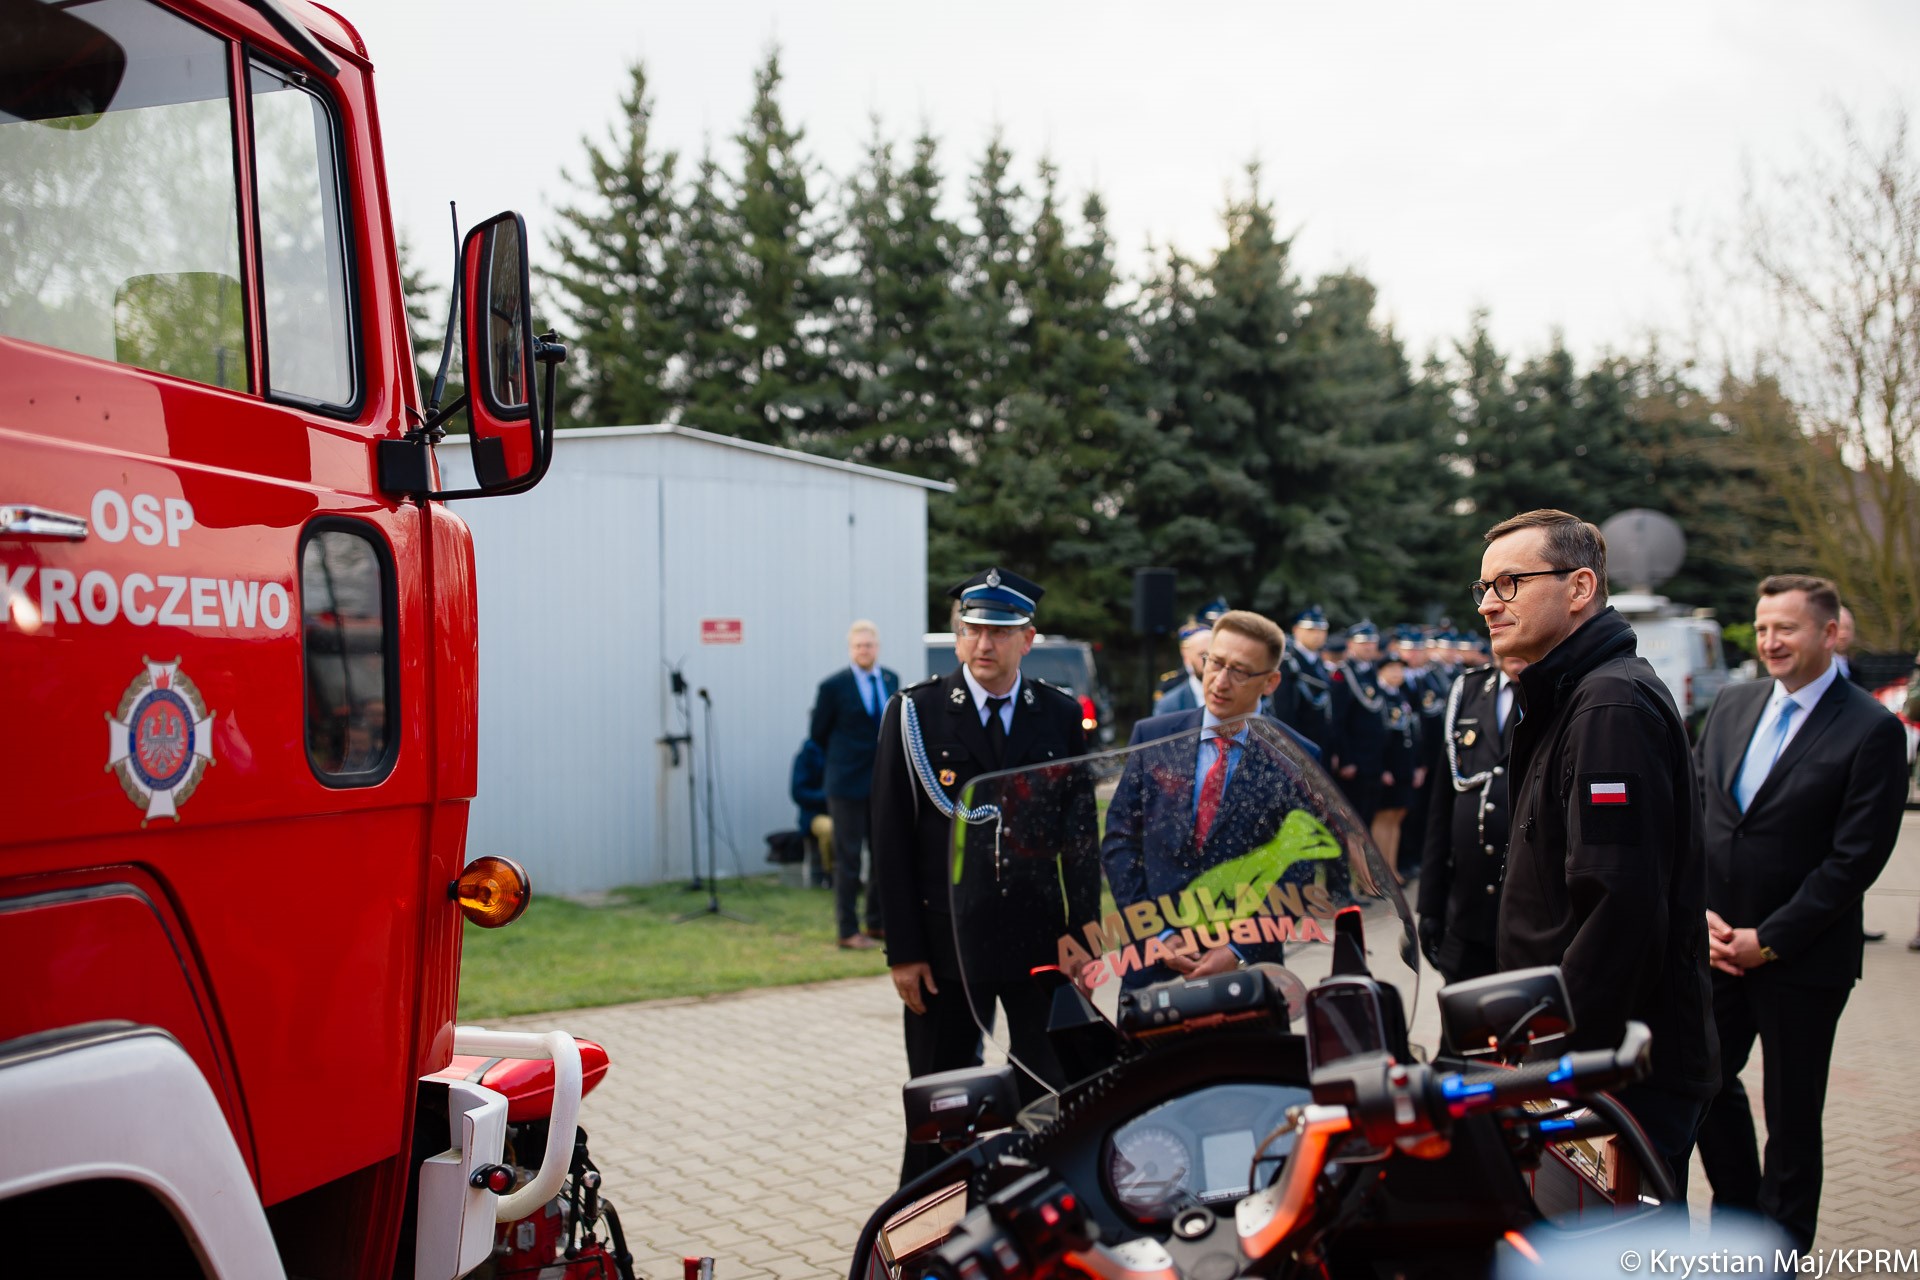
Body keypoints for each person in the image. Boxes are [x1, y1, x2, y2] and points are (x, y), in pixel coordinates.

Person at [1476, 508, 1718, 1193]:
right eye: (1485, 588)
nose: (1490, 604)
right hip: (1588, 1056)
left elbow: (1621, 909)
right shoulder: (1572, 694)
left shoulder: (1608, 704)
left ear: (1580, 588)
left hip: (1614, 1068)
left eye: (1511, 583)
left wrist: (1555, 1058)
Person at [1691, 576, 1907, 1254]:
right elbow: (1697, 814)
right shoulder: (1732, 703)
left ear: (1829, 633)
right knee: (1701, 1081)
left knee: (1791, 1113)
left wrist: (1771, 940)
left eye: (1785, 628)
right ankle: (1737, 1221)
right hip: (1718, 942)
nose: (1770, 641)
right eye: (1761, 629)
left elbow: (1856, 858)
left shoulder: (1872, 728)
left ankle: (1780, 1248)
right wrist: (1700, 914)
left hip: (1803, 959)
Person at [870, 568, 1099, 1184]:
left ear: (1028, 638)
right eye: (972, 630)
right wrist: (904, 951)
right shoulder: (914, 714)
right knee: (941, 1100)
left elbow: (1080, 836)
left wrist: (1085, 929)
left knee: (1053, 1089)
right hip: (945, 945)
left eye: (1000, 632)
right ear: (957, 633)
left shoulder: (1057, 713)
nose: (983, 645)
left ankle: (1047, 1206)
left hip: (1040, 943)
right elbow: (889, 838)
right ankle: (924, 1225)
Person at [1103, 610, 1324, 987]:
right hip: (1153, 963)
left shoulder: (1295, 756)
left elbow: (1298, 868)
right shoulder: (1153, 736)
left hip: (1247, 970)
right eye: (1214, 663)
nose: (1220, 682)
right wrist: (1157, 936)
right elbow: (1121, 842)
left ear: (1270, 682)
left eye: (1239, 671)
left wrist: (1239, 949)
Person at [1417, 653, 1526, 984]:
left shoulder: (1563, 690)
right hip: (1467, 909)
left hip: (1528, 917)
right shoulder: (1469, 688)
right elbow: (1443, 804)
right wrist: (1430, 905)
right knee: (1461, 1024)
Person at [809, 620, 899, 950]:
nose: (865, 651)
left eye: (870, 645)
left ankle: (876, 922)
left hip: (880, 781)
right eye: (859, 646)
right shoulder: (833, 686)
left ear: (877, 648)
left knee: (882, 854)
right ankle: (847, 929)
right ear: (851, 649)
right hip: (845, 783)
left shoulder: (890, 679)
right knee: (849, 860)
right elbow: (818, 733)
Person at [1369, 651, 1421, 881]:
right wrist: (1381, 768)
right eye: (1391, 669)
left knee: (1397, 815)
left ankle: (1392, 867)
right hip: (1387, 766)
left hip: (1403, 765)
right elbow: (1375, 736)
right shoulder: (1378, 697)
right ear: (1380, 672)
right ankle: (1381, 872)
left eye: (1400, 669)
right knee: (1384, 816)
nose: (1397, 673)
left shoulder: (1401, 694)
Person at [1329, 621, 1388, 825]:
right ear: (1350, 644)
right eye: (1363, 643)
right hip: (1355, 758)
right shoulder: (1343, 674)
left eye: (1372, 642)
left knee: (1369, 816)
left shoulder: (1372, 671)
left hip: (1373, 758)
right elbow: (1338, 721)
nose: (1369, 646)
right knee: (1353, 820)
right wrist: (1346, 759)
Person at [1271, 605, 1336, 757]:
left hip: (1322, 746)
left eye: (1321, 630)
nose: (1317, 635)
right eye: (1311, 630)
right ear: (1296, 630)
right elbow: (1284, 714)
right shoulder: (1288, 663)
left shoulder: (1320, 663)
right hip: (1300, 748)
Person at [789, 738, 832, 889]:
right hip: (813, 815)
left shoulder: (838, 751)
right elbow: (798, 792)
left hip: (841, 811)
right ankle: (830, 875)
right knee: (830, 829)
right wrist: (826, 796)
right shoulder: (806, 756)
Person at [1156, 622, 1212, 714]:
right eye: (1202, 655)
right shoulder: (1169, 703)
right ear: (1187, 656)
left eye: (1213, 654)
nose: (1208, 660)